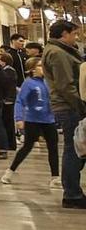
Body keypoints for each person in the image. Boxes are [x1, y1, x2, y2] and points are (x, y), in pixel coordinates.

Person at [43, 21, 84, 207]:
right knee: (74, 149)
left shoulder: (60, 51)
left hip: (68, 106)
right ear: (64, 34)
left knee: (74, 148)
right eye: (74, 34)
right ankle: (72, 194)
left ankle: (73, 192)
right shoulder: (57, 53)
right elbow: (66, 85)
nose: (76, 37)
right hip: (69, 107)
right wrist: (81, 106)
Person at [2, 57, 60, 185]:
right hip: (33, 120)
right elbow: (20, 101)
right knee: (27, 147)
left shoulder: (48, 82)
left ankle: (55, 177)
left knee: (53, 148)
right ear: (32, 69)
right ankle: (10, 171)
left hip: (48, 120)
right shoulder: (28, 83)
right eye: (40, 66)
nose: (43, 68)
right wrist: (19, 118)